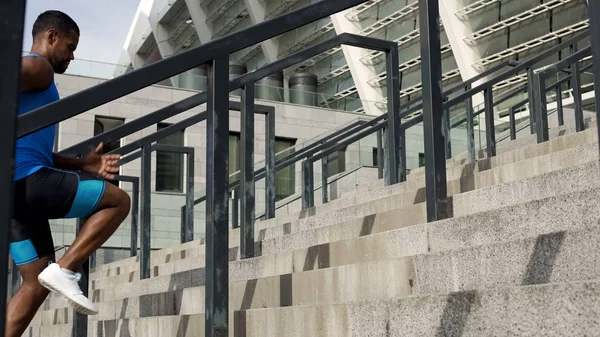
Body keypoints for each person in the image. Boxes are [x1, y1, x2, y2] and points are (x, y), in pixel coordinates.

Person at [7, 10, 131, 337]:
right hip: (28, 182)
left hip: (17, 197)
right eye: (70, 46)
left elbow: (36, 150)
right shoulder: (39, 67)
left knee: (35, 281)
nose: (73, 55)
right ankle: (66, 268)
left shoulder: (37, 82)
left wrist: (81, 164)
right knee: (117, 201)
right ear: (51, 37)